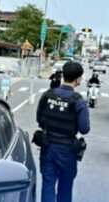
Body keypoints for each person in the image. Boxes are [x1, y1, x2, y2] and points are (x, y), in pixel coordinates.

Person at [36, 62, 90, 202]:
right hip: (67, 151)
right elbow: (84, 129)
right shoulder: (78, 101)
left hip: (47, 147)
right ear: (78, 79)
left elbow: (39, 120)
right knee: (65, 189)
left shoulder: (48, 95)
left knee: (47, 185)